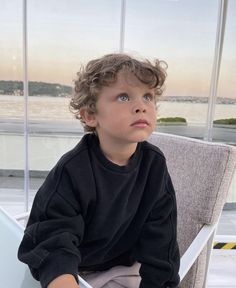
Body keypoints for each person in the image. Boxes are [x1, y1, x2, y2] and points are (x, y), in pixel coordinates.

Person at [18, 53, 180, 288]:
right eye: (124, 97)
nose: (141, 107)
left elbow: (161, 241)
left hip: (125, 267)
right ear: (90, 115)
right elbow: (53, 237)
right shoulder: (72, 170)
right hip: (74, 268)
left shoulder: (155, 165)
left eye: (148, 96)